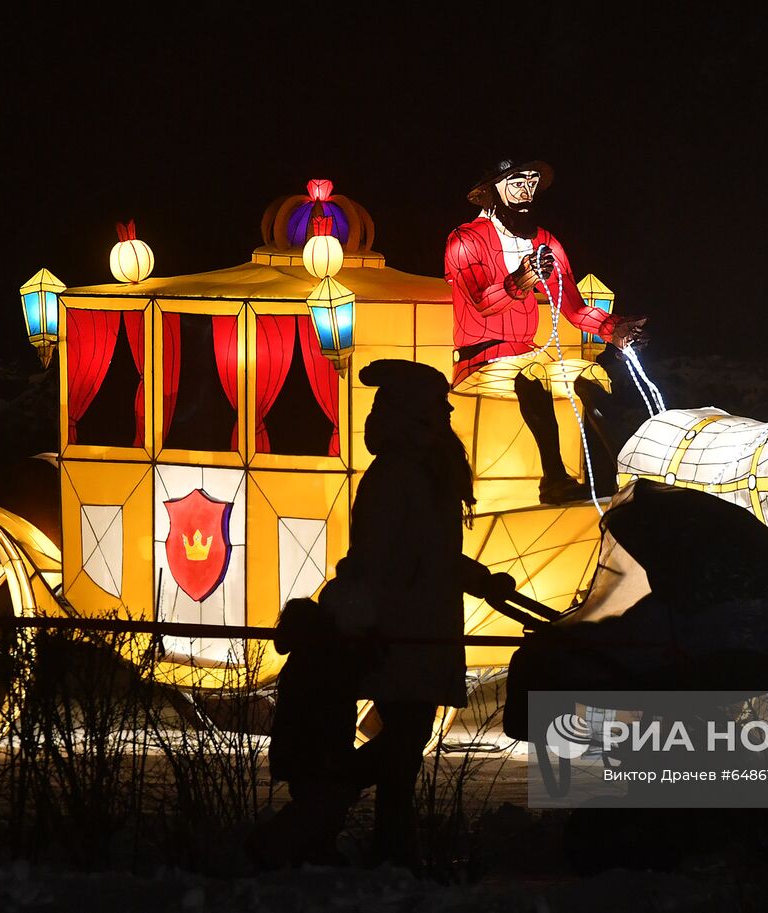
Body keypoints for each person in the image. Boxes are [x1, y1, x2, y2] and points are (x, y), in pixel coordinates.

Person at [254, 358, 512, 870]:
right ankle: (345, 808)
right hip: (403, 628)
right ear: (416, 413)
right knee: (405, 741)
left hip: (418, 624)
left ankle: (388, 848)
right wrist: (471, 581)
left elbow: (425, 552)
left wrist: (477, 581)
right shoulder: (401, 475)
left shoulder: (416, 470)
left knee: (405, 749)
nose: (446, 413)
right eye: (437, 406)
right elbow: (388, 555)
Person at [445, 158, 648, 504]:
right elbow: (481, 301)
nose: (526, 193)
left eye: (531, 184)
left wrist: (613, 329)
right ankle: (553, 478)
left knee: (590, 374)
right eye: (516, 183)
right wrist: (520, 281)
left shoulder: (544, 242)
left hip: (527, 353)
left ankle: (616, 473)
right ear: (491, 190)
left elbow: (575, 308)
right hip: (479, 359)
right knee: (533, 374)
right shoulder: (464, 241)